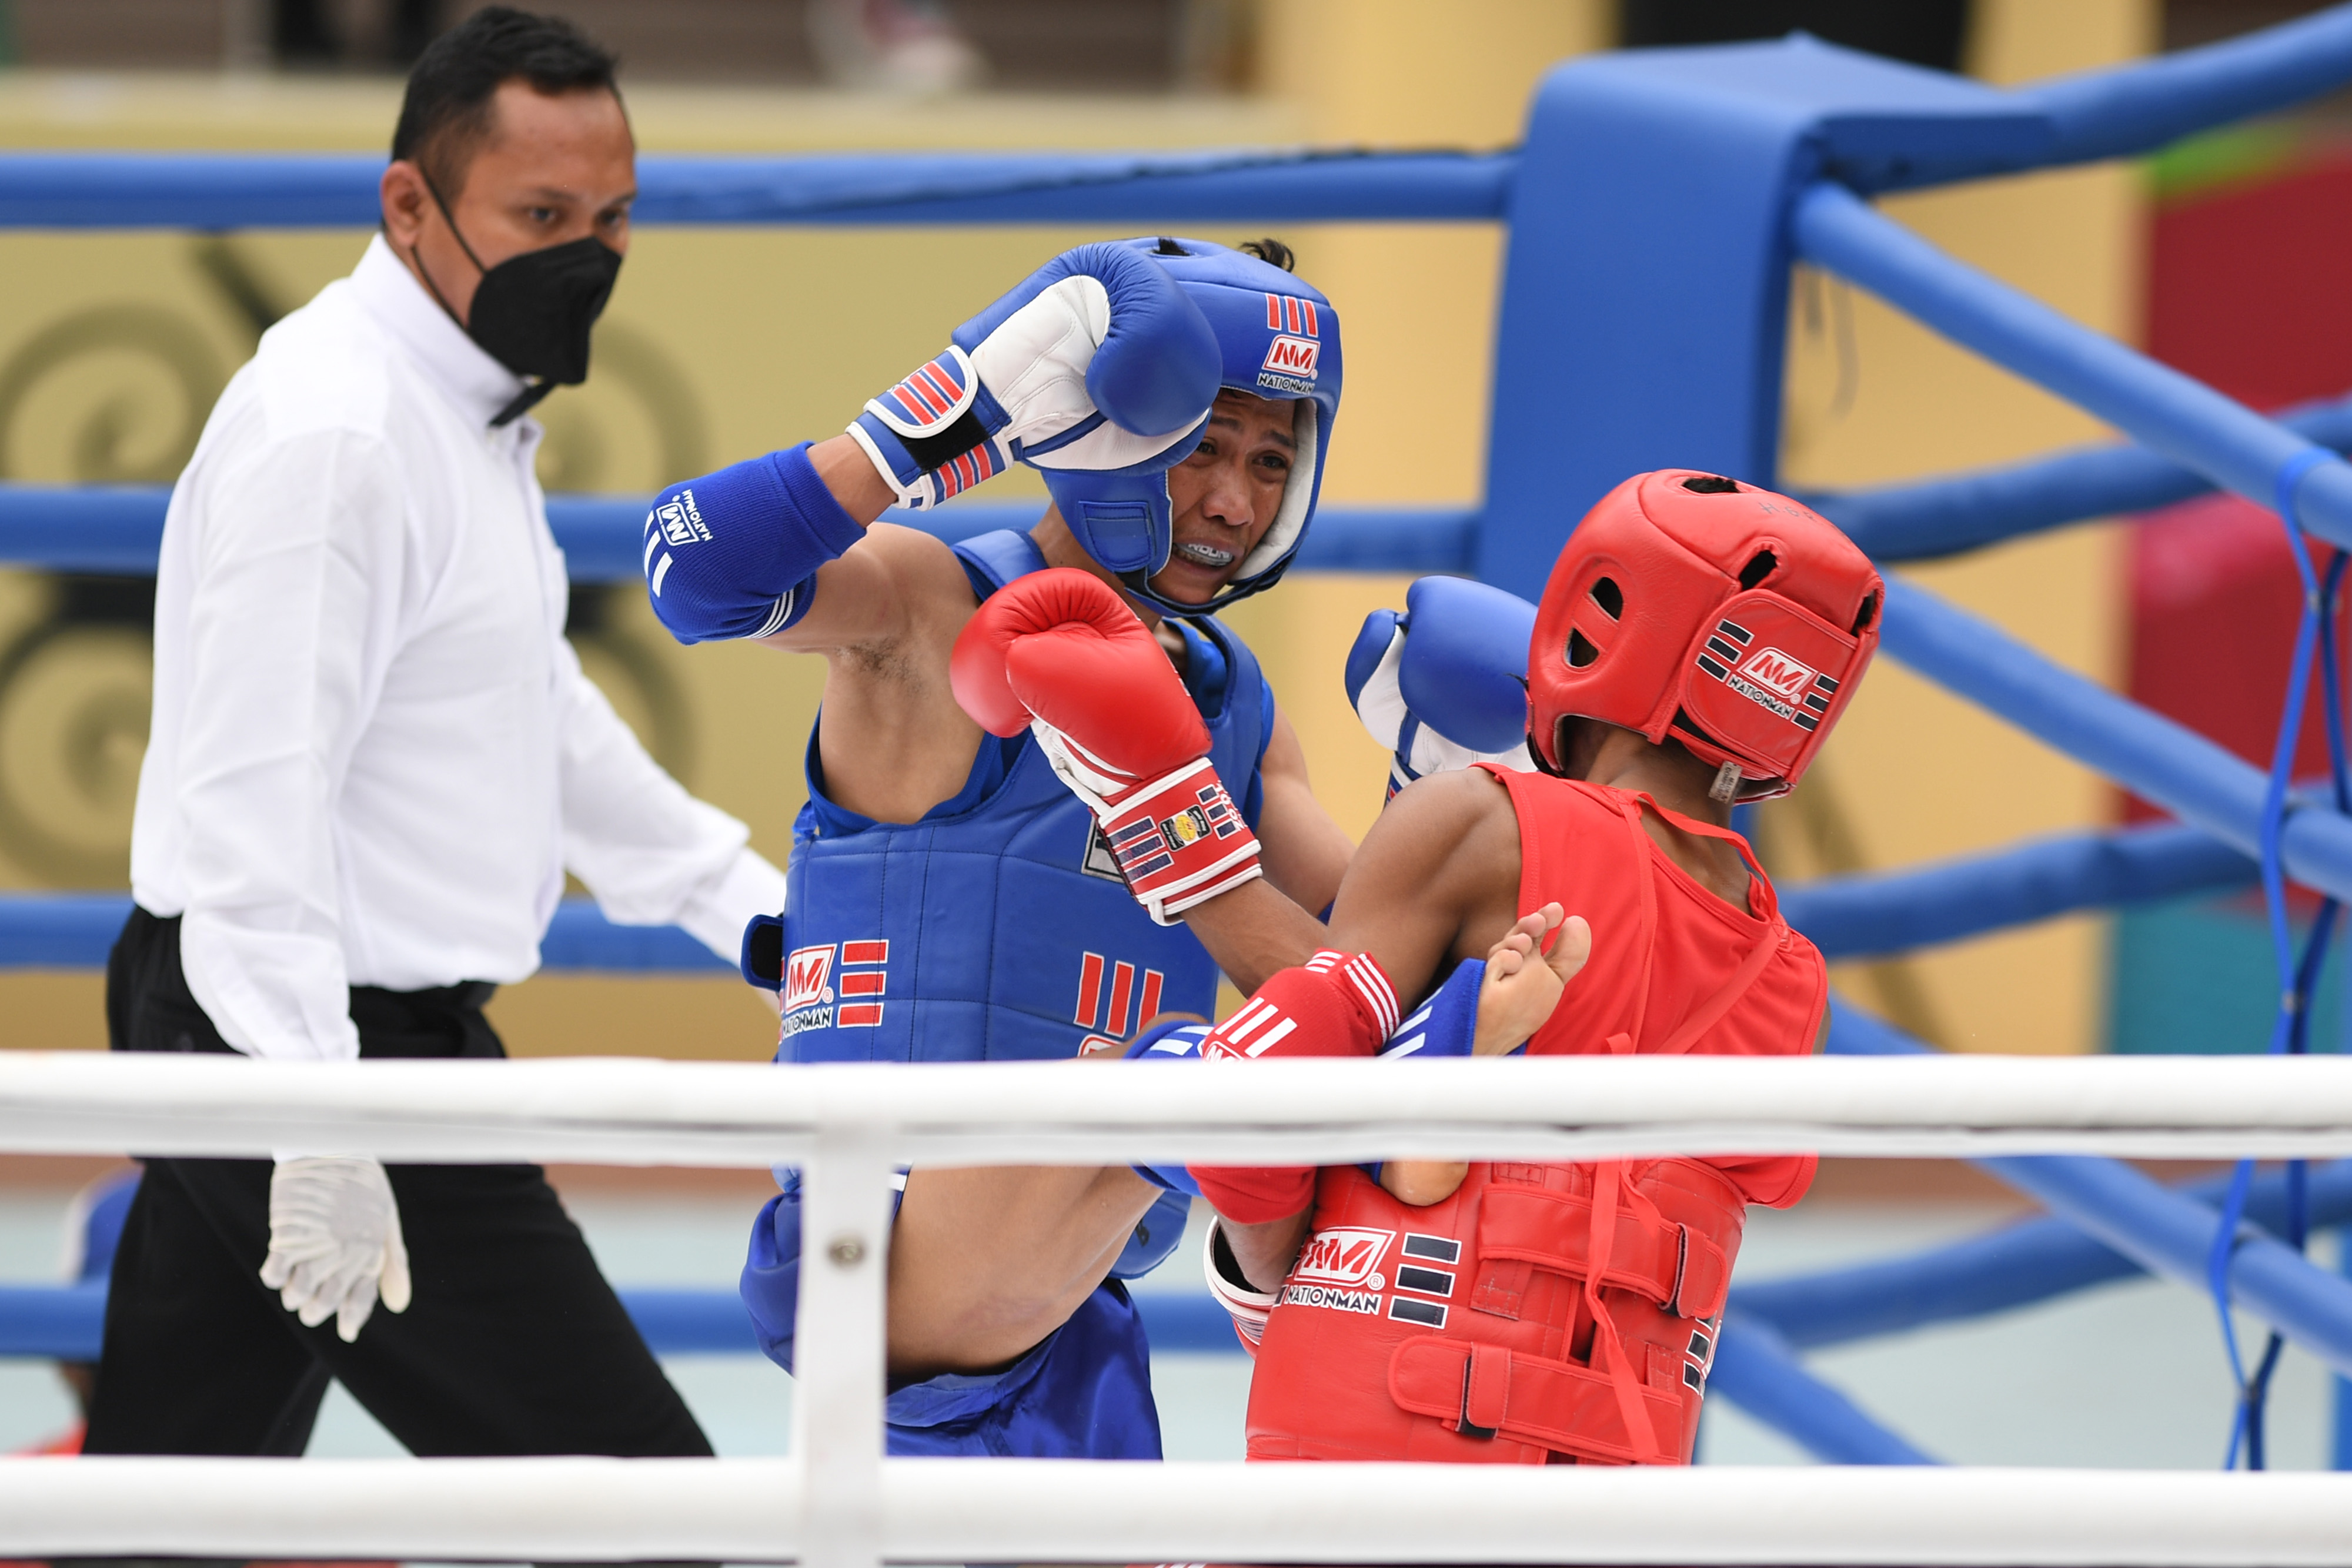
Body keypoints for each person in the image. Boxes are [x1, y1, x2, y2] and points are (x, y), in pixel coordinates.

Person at [92, 8, 787, 1460]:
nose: (584, 254)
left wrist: (761, 922)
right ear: (409, 203)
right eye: (541, 214)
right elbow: (250, 803)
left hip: (324, 1033)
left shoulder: (459, 403)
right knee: (644, 1508)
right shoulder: (340, 433)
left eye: (611, 217)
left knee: (163, 1514)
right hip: (305, 1039)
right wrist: (314, 1111)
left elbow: (529, 712)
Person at [956, 467, 1882, 1464]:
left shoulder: (1486, 823)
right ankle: (1434, 1073)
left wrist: (1160, 811)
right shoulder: (1796, 982)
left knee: (1168, 1077)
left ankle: (1432, 1074)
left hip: (1378, 1445)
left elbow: (1260, 1113)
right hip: (1616, 1484)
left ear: (1606, 617)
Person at [637, 233, 1354, 1456]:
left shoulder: (1236, 708)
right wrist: (919, 427)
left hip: (1074, 1306)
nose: (1232, 501)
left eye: (1267, 460)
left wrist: (1487, 803)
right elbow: (692, 571)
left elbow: (1361, 995)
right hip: (882, 1240)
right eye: (1200, 449)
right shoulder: (928, 608)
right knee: (1198, 1072)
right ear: (1103, 429)